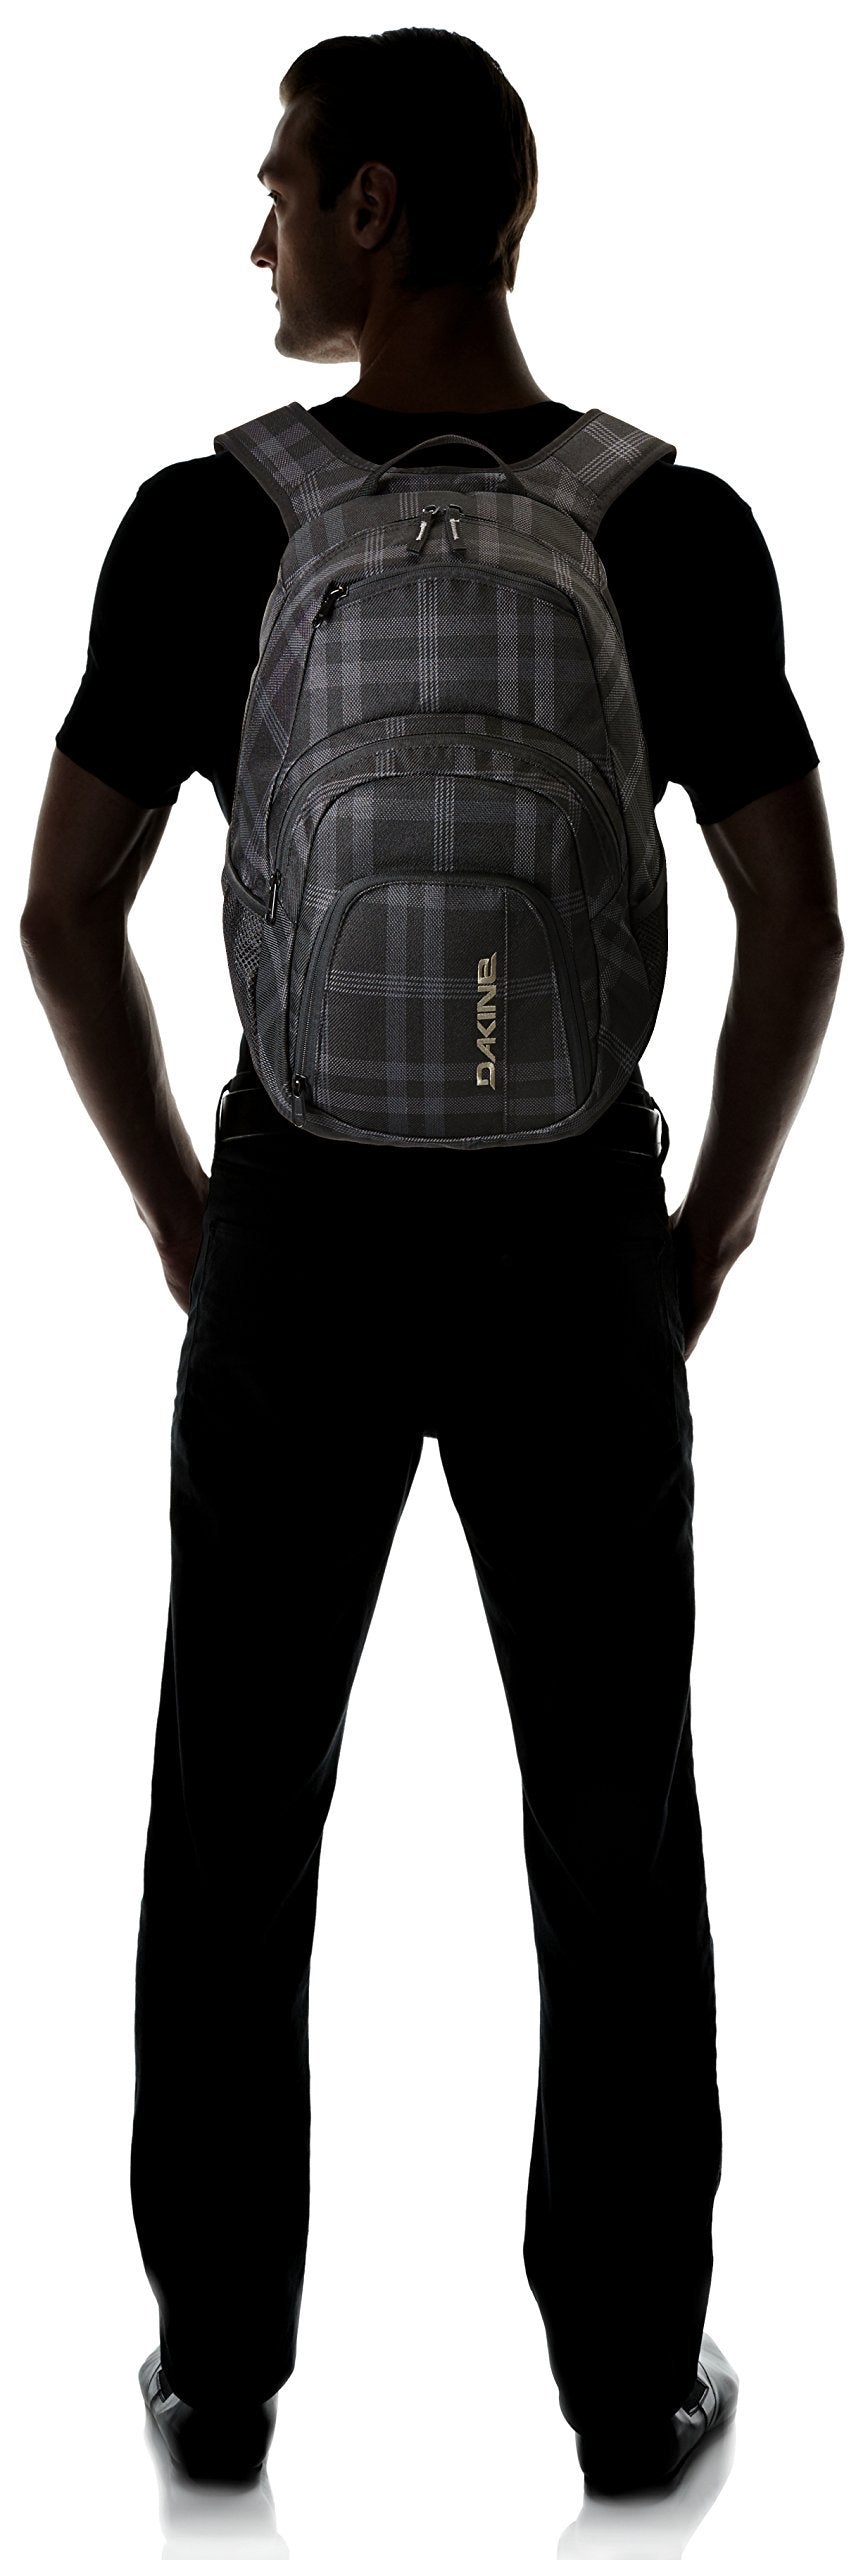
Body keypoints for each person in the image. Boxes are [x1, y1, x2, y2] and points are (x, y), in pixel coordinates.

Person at [20, 25, 844, 2497]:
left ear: (377, 206)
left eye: (281, 185)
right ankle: (626, 2384)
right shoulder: (670, 524)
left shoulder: (208, 523)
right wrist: (701, 1231)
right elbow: (797, 926)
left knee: (233, 1801)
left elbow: (62, 913)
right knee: (612, 1813)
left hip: (299, 1219)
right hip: (568, 1224)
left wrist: (190, 1219)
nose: (259, 229)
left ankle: (216, 2368)